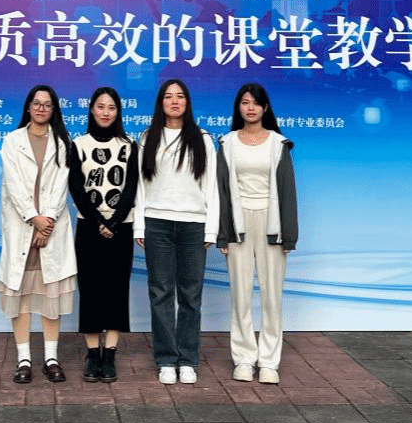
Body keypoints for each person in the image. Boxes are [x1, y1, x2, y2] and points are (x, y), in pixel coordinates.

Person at [134, 78, 218, 385]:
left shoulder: (202, 138)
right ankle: (167, 359)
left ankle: (188, 359)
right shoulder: (147, 138)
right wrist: (140, 225)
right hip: (156, 223)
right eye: (168, 96)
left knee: (191, 294)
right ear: (161, 103)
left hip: (193, 225)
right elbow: (140, 185)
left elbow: (211, 186)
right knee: (160, 292)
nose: (174, 101)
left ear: (187, 102)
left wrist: (211, 230)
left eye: (180, 96)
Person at [216, 82, 298, 385]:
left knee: (271, 296)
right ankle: (243, 358)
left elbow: (288, 191)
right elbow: (221, 191)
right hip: (239, 224)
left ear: (265, 108)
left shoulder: (278, 143)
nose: (250, 108)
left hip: (270, 224)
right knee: (240, 295)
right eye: (245, 102)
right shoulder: (227, 143)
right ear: (238, 107)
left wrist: (288, 235)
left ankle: (268, 362)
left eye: (256, 103)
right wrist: (223, 233)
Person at [0, 85, 77, 384]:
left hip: (50, 229)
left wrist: (48, 222)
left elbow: (61, 185)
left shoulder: (63, 142)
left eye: (47, 104)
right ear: (28, 107)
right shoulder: (12, 140)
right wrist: (34, 219)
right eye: (36, 103)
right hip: (22, 226)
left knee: (49, 297)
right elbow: (14, 185)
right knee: (20, 296)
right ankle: (24, 360)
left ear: (54, 109)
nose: (41, 108)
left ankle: (51, 359)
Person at [67, 86, 139, 383]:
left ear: (118, 112)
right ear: (91, 110)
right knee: (91, 290)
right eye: (100, 106)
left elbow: (132, 187)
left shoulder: (129, 145)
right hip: (88, 226)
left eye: (111, 107)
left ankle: (109, 354)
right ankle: (92, 354)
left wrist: (114, 221)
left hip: (122, 227)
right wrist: (99, 220)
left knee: (116, 290)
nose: (106, 112)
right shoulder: (78, 144)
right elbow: (76, 188)